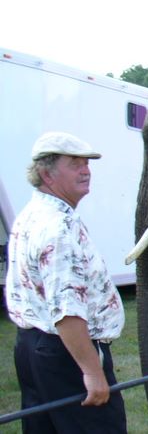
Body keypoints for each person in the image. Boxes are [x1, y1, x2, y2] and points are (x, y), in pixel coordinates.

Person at [5, 131, 127, 433]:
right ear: (47, 174)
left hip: (32, 346)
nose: (86, 171)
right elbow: (67, 311)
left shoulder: (31, 214)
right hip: (65, 355)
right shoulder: (57, 228)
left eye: (87, 164)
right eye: (74, 164)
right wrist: (91, 371)